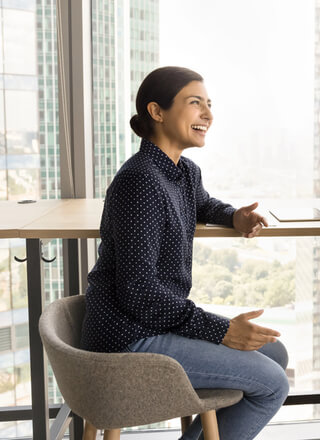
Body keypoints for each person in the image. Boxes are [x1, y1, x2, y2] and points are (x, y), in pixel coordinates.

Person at [81, 66, 289, 440]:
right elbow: (139, 292)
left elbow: (204, 204)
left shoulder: (183, 171)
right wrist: (223, 330)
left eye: (209, 104)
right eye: (196, 104)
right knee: (273, 383)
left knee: (275, 354)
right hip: (129, 337)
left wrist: (235, 216)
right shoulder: (140, 180)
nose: (208, 115)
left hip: (151, 323)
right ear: (157, 112)